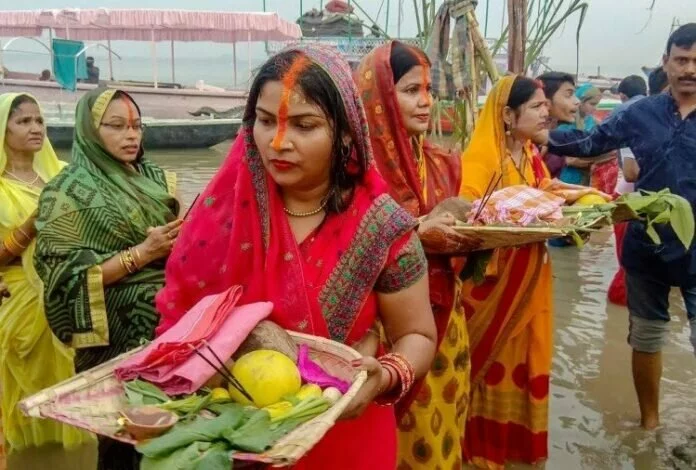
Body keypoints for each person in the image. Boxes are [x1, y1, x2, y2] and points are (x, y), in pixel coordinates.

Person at [156, 44, 438, 469]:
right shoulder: (220, 213)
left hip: (342, 433)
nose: (278, 142)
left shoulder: (383, 228)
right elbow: (181, 320)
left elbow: (419, 335)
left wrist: (385, 374)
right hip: (231, 433)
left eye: (304, 125)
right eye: (266, 122)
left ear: (344, 132)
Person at [543, 23, 696, 430]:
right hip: (647, 245)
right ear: (666, 62)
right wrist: (541, 135)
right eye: (682, 59)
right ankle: (649, 424)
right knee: (646, 337)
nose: (690, 69)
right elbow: (591, 143)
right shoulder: (640, 113)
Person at [34, 88, 181, 469]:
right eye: (116, 126)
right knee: (120, 440)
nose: (131, 136)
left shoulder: (154, 177)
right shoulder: (64, 193)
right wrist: (142, 254)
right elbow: (62, 278)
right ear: (89, 130)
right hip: (113, 339)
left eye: (136, 126)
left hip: (169, 331)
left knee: (170, 437)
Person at [356, 41, 472, 469]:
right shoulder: (354, 171)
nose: (426, 102)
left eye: (428, 90)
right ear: (380, 96)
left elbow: (466, 240)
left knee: (443, 430)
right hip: (390, 331)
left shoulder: (445, 163)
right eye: (409, 90)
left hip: (447, 322)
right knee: (397, 438)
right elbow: (340, 249)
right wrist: (414, 234)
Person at [458, 75, 553, 468]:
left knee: (531, 357)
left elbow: (545, 189)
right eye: (536, 106)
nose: (546, 112)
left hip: (531, 284)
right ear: (508, 115)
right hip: (494, 288)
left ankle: (517, 451)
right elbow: (465, 219)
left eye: (546, 104)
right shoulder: (481, 160)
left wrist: (583, 198)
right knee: (491, 366)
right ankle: (482, 455)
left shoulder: (529, 153)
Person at [0, 93, 95, 468]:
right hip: (21, 307)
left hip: (70, 302)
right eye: (23, 121)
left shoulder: (63, 176)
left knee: (76, 396)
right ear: (3, 130)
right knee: (28, 400)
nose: (35, 128)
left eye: (38, 120)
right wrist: (32, 223)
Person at [608, 75, 647, 306]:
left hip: (626, 195)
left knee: (630, 264)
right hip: (634, 199)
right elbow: (632, 172)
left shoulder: (622, 112)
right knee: (633, 267)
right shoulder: (642, 114)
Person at [536, 72, 579, 179]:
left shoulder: (557, 135)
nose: (577, 101)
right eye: (569, 95)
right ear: (547, 103)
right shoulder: (529, 141)